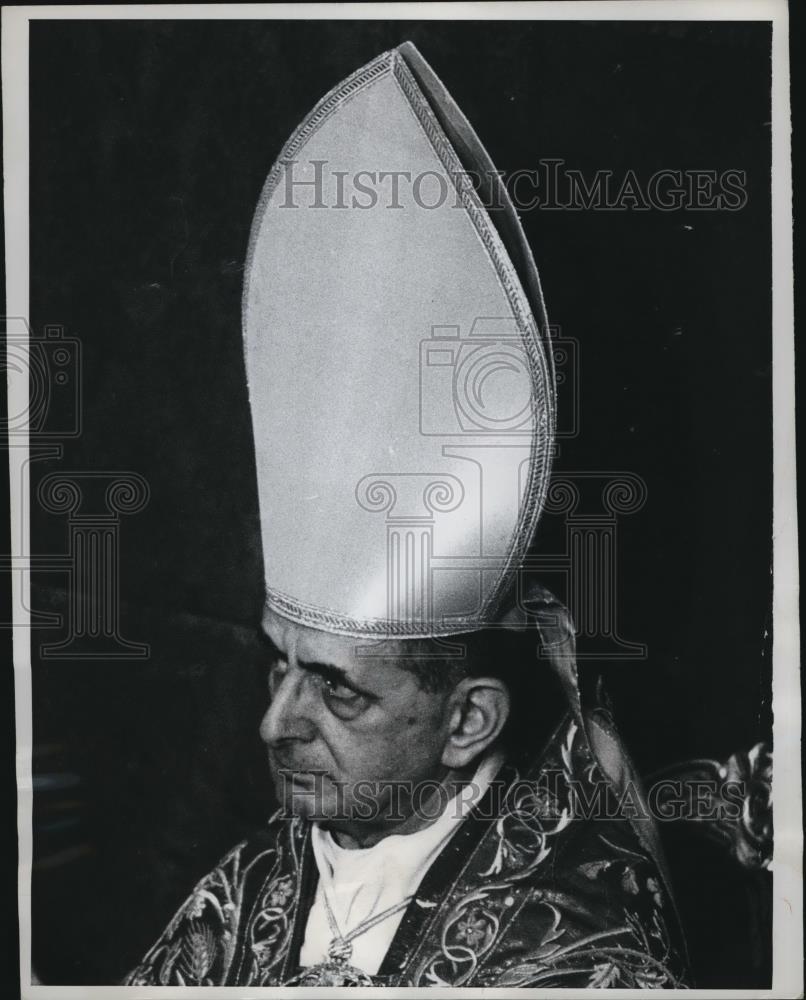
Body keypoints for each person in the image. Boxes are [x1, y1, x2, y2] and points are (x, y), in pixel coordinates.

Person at [125, 42, 688, 988]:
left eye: (338, 690)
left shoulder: (582, 958)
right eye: (282, 668)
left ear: (467, 720)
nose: (274, 724)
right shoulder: (248, 886)